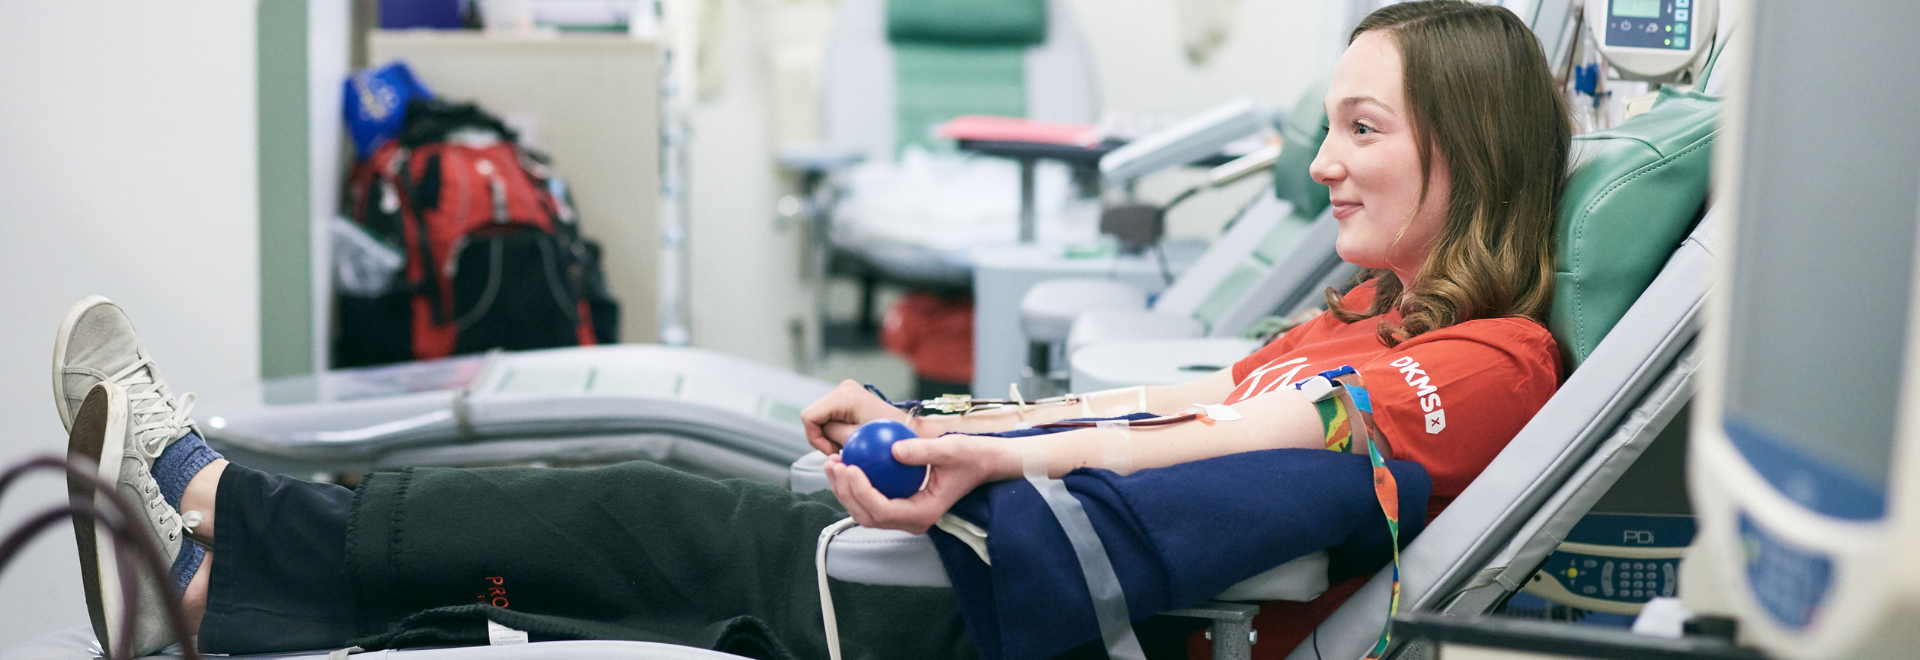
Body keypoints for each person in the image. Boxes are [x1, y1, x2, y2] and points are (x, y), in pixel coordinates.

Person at [52, 2, 1569, 658]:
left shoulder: (1499, 366)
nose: (1321, 164)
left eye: (1361, 129)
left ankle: (211, 505)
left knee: (634, 500)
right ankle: (223, 555)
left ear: (1471, 151)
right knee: (631, 490)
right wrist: (965, 433)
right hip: (995, 565)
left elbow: (1244, 441)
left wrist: (986, 460)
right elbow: (1197, 412)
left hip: (1029, 620)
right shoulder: (1372, 315)